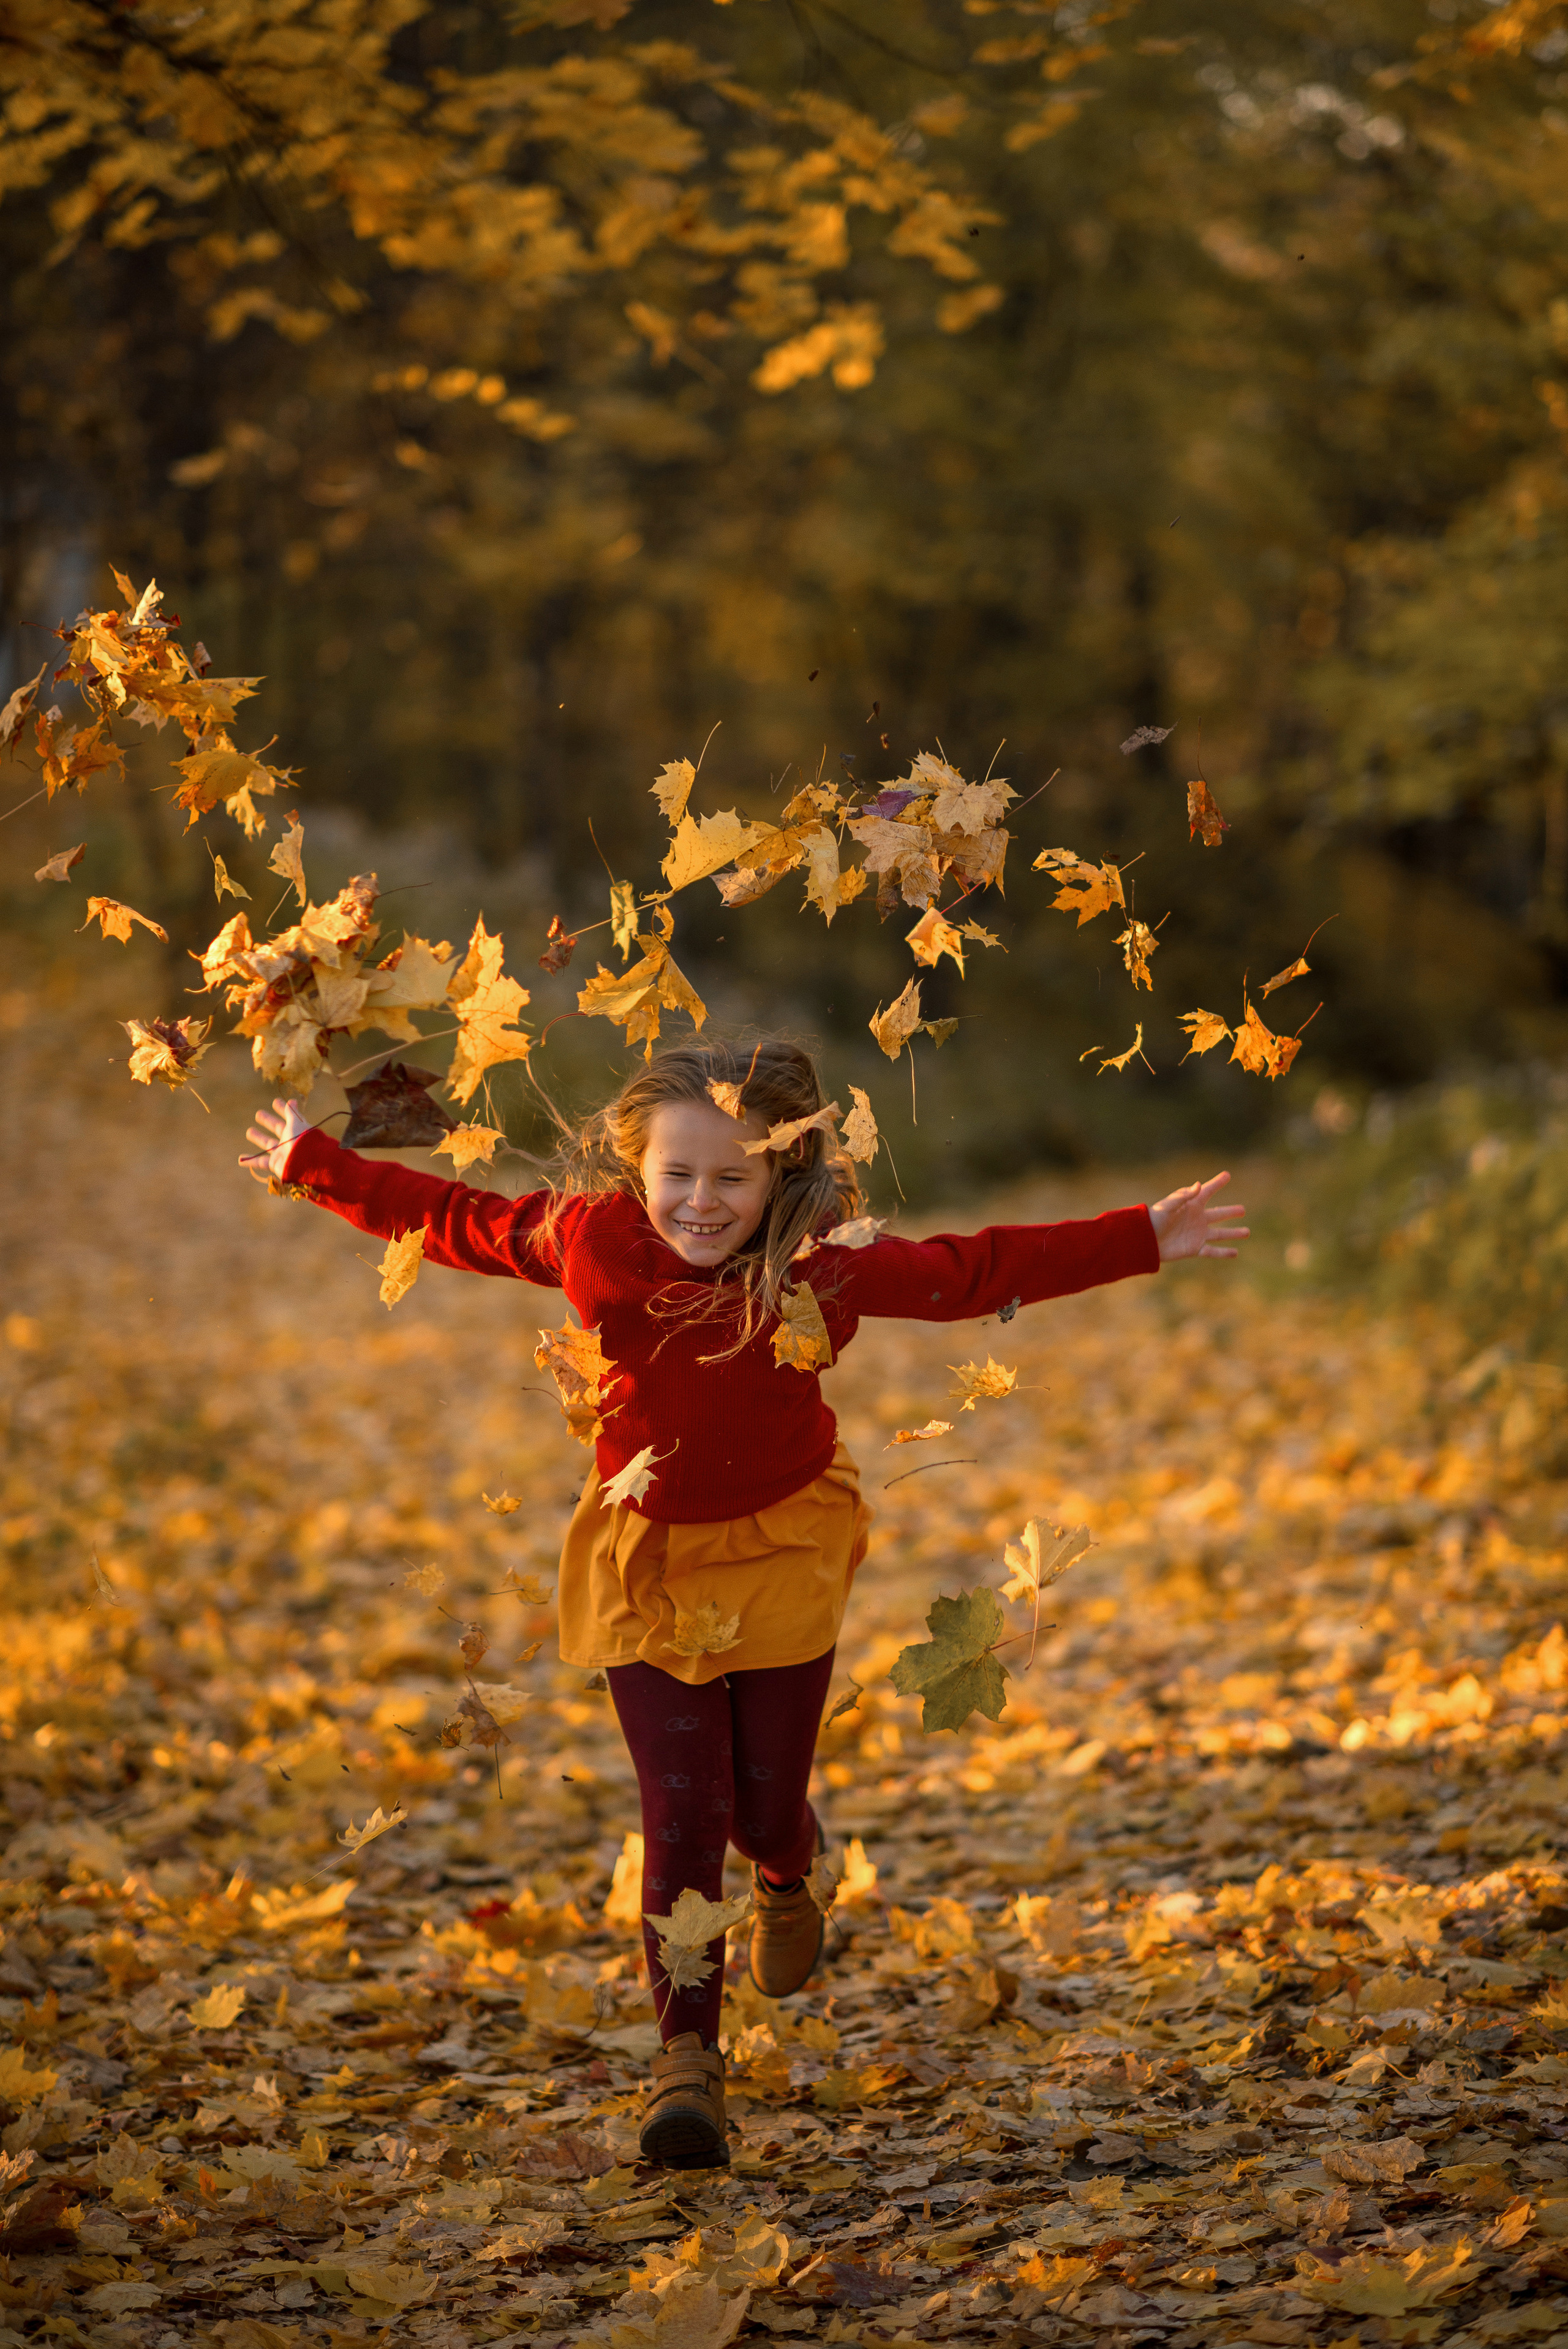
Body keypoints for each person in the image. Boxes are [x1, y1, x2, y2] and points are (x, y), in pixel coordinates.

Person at [241, 1036, 1247, 2169]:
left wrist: (1144, 1237)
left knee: (759, 1808)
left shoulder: (820, 1264)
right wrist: (314, 1161)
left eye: (732, 1177)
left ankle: (790, 1862)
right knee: (681, 1799)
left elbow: (970, 1269)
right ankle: (688, 2064)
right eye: (677, 1174)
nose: (702, 1201)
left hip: (783, 1543)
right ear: (635, 1167)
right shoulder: (592, 1240)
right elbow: (455, 1217)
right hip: (647, 1560)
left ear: (781, 1174)